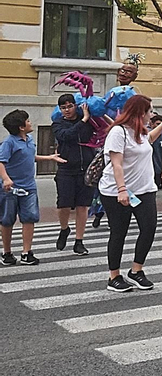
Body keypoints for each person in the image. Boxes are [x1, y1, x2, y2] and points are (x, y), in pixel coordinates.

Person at [101, 95, 160, 292]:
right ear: (139, 113)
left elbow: (149, 140)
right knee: (119, 232)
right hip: (117, 190)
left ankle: (136, 270)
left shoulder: (142, 132)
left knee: (149, 227)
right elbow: (116, 163)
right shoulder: (118, 132)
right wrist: (121, 189)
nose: (151, 115)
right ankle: (114, 276)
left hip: (144, 189)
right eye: (149, 111)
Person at [50, 94, 95, 255]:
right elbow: (66, 136)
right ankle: (64, 229)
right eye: (63, 107)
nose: (67, 110)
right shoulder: (58, 123)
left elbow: (104, 128)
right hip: (66, 169)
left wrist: (89, 117)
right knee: (64, 204)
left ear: (76, 105)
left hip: (85, 169)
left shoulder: (89, 121)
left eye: (70, 106)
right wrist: (83, 121)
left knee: (83, 205)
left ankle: (79, 241)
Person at [0, 110, 42, 266]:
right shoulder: (9, 142)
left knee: (29, 217)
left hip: (29, 187)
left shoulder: (30, 140)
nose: (30, 122)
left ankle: (26, 252)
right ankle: (7, 252)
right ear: (21, 127)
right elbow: (1, 161)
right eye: (28, 120)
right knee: (7, 220)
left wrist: (50, 158)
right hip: (9, 188)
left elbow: (30, 157)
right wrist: (5, 179)